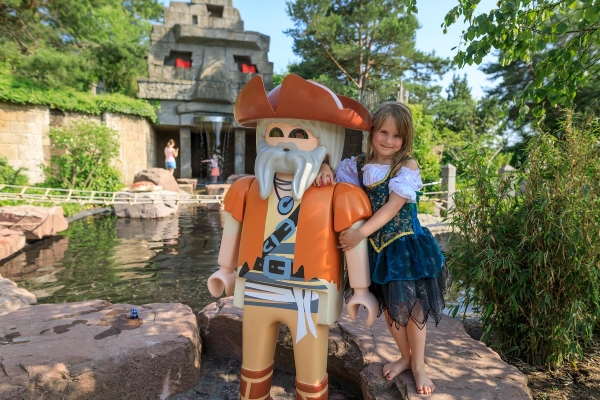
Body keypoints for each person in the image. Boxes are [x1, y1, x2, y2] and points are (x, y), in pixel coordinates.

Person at [207, 74, 378, 399]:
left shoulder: (339, 195)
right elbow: (233, 230)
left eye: (299, 134)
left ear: (325, 141)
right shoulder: (245, 190)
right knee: (253, 366)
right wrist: (225, 270)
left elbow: (354, 242)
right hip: (257, 286)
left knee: (311, 372)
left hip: (309, 293)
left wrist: (361, 290)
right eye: (275, 133)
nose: (285, 142)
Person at [315, 102, 450, 395]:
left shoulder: (406, 167)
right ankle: (404, 357)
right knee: (391, 309)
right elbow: (334, 183)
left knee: (413, 309)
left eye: (397, 136)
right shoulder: (357, 166)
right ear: (372, 131)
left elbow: (392, 207)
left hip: (405, 247)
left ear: (405, 139)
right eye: (383, 132)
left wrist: (359, 233)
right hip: (377, 251)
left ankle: (419, 365)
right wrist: (325, 164)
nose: (389, 140)